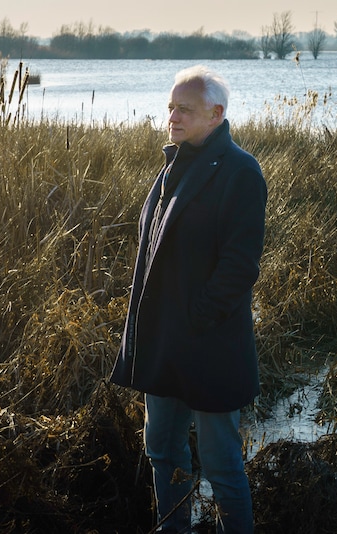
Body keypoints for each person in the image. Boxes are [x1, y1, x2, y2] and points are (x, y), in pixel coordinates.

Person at [109, 65, 267, 533]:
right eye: (171, 106)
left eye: (186, 109)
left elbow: (240, 265)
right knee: (162, 449)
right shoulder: (173, 165)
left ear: (217, 113)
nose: (173, 116)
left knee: (220, 464)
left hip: (209, 342)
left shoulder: (241, 172)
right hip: (165, 342)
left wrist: (197, 318)